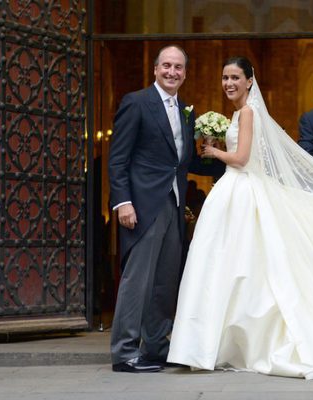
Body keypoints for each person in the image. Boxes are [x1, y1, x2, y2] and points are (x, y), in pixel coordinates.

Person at [167, 56, 313, 379]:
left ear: (249, 81)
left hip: (241, 188)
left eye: (235, 77)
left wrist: (212, 152)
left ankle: (216, 342)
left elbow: (242, 158)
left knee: (234, 264)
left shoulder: (247, 112)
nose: (229, 83)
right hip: (236, 191)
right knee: (232, 265)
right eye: (224, 77)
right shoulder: (243, 112)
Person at [108, 45, 224, 373]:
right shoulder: (136, 102)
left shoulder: (186, 109)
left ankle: (156, 347)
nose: (172, 72)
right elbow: (118, 158)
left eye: (178, 68)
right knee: (137, 280)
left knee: (164, 281)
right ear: (156, 69)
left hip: (174, 205)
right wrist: (123, 201)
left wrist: (226, 162)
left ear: (185, 73)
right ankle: (125, 352)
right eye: (167, 66)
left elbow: (181, 162)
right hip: (143, 206)